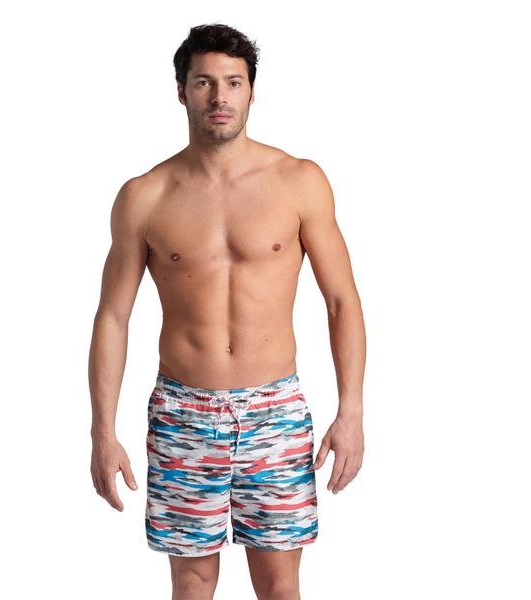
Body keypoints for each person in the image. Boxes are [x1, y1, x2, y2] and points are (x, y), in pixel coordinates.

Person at [89, 22, 366, 600]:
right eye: (204, 82)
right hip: (183, 413)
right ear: (181, 91)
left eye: (233, 82)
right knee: (192, 585)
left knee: (279, 586)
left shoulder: (299, 181)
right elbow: (113, 316)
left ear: (252, 92)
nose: (220, 97)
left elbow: (342, 300)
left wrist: (352, 411)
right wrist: (102, 431)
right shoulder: (145, 195)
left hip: (275, 410)